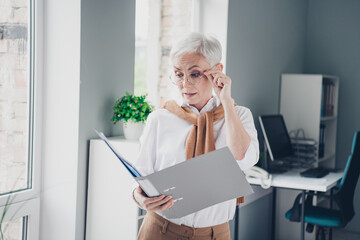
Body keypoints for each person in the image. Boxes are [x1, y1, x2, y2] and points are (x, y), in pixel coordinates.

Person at [132, 32, 259, 240]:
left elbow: (243, 158)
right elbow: (140, 176)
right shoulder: (160, 119)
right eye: (178, 74)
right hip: (160, 230)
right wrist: (139, 197)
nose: (185, 84)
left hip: (213, 235)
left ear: (217, 71)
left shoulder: (239, 115)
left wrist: (226, 101)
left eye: (195, 74)